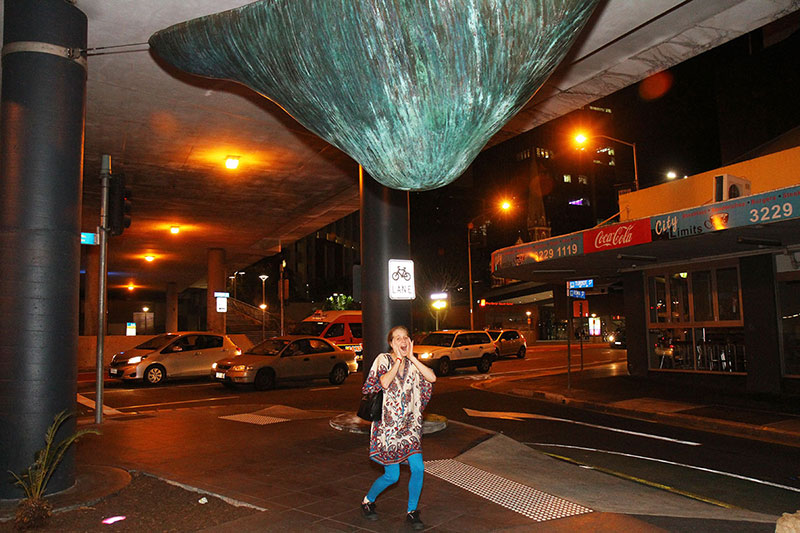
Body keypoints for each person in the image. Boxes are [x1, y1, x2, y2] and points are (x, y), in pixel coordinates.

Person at [360, 325, 437, 530]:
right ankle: (368, 500)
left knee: (418, 468)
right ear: (391, 343)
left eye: (406, 338)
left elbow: (432, 378)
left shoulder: (413, 362)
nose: (403, 341)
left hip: (410, 427)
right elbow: (382, 383)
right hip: (388, 429)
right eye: (398, 338)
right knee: (392, 476)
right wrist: (399, 361)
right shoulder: (383, 360)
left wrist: (412, 358)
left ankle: (412, 512)